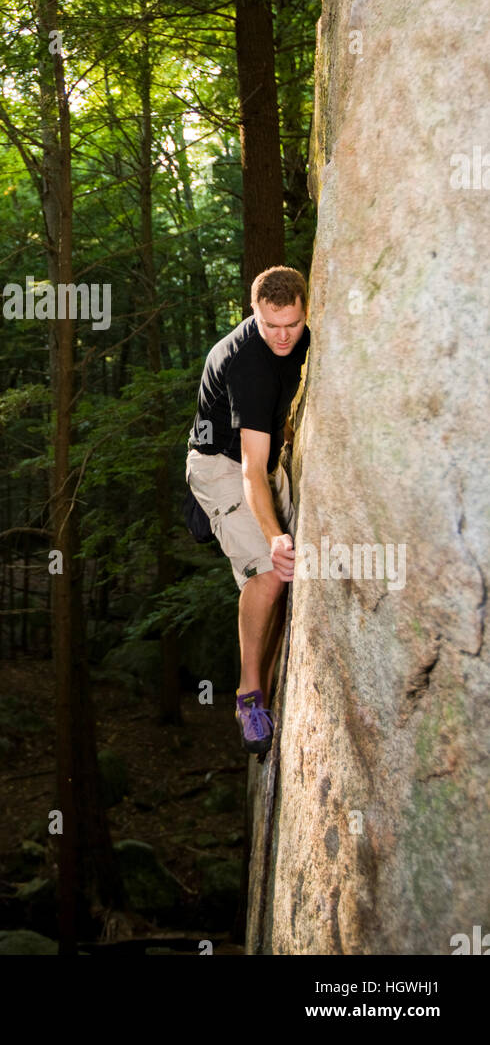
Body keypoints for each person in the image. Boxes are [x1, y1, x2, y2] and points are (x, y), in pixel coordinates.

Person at [186, 266, 309, 757]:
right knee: (270, 572)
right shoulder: (249, 365)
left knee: (290, 574)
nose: (282, 336)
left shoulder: (302, 336)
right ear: (253, 311)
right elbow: (252, 472)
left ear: (304, 311)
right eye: (270, 325)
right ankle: (249, 697)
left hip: (256, 456)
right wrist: (273, 535)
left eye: (292, 325)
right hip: (222, 466)